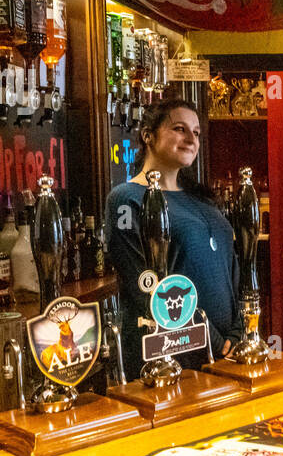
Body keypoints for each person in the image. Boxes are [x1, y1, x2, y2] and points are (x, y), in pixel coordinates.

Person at [105, 99, 244, 380]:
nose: (190, 139)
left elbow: (233, 269)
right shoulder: (127, 199)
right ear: (148, 135)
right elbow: (147, 286)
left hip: (224, 356)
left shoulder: (202, 199)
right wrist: (213, 341)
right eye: (180, 129)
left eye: (196, 133)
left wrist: (239, 328)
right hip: (170, 358)